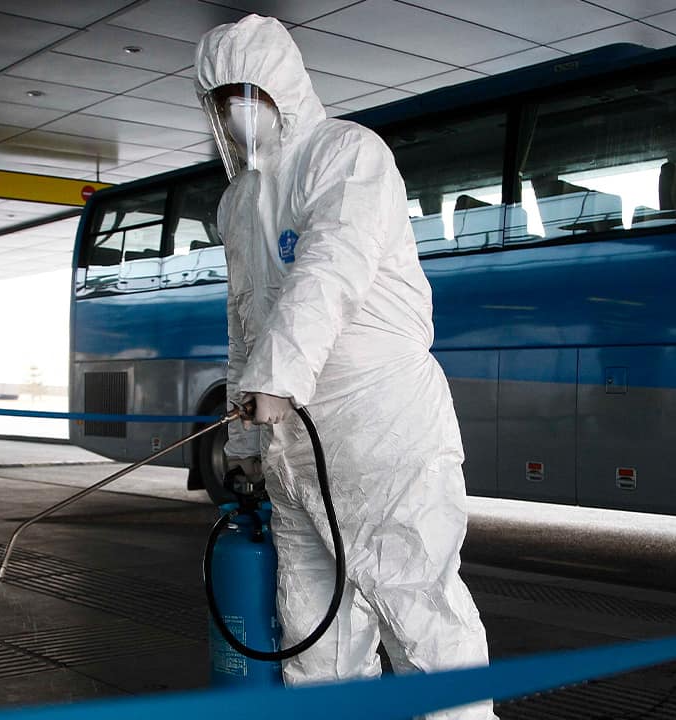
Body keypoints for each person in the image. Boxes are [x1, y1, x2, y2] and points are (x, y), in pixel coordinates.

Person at [196, 15, 494, 719]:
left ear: (284, 85)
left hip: (381, 430)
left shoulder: (348, 154)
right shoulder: (237, 203)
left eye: (248, 89)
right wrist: (244, 447)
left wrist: (277, 379)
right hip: (295, 451)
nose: (236, 109)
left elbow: (332, 268)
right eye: (220, 98)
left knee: (417, 611)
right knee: (312, 627)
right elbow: (245, 325)